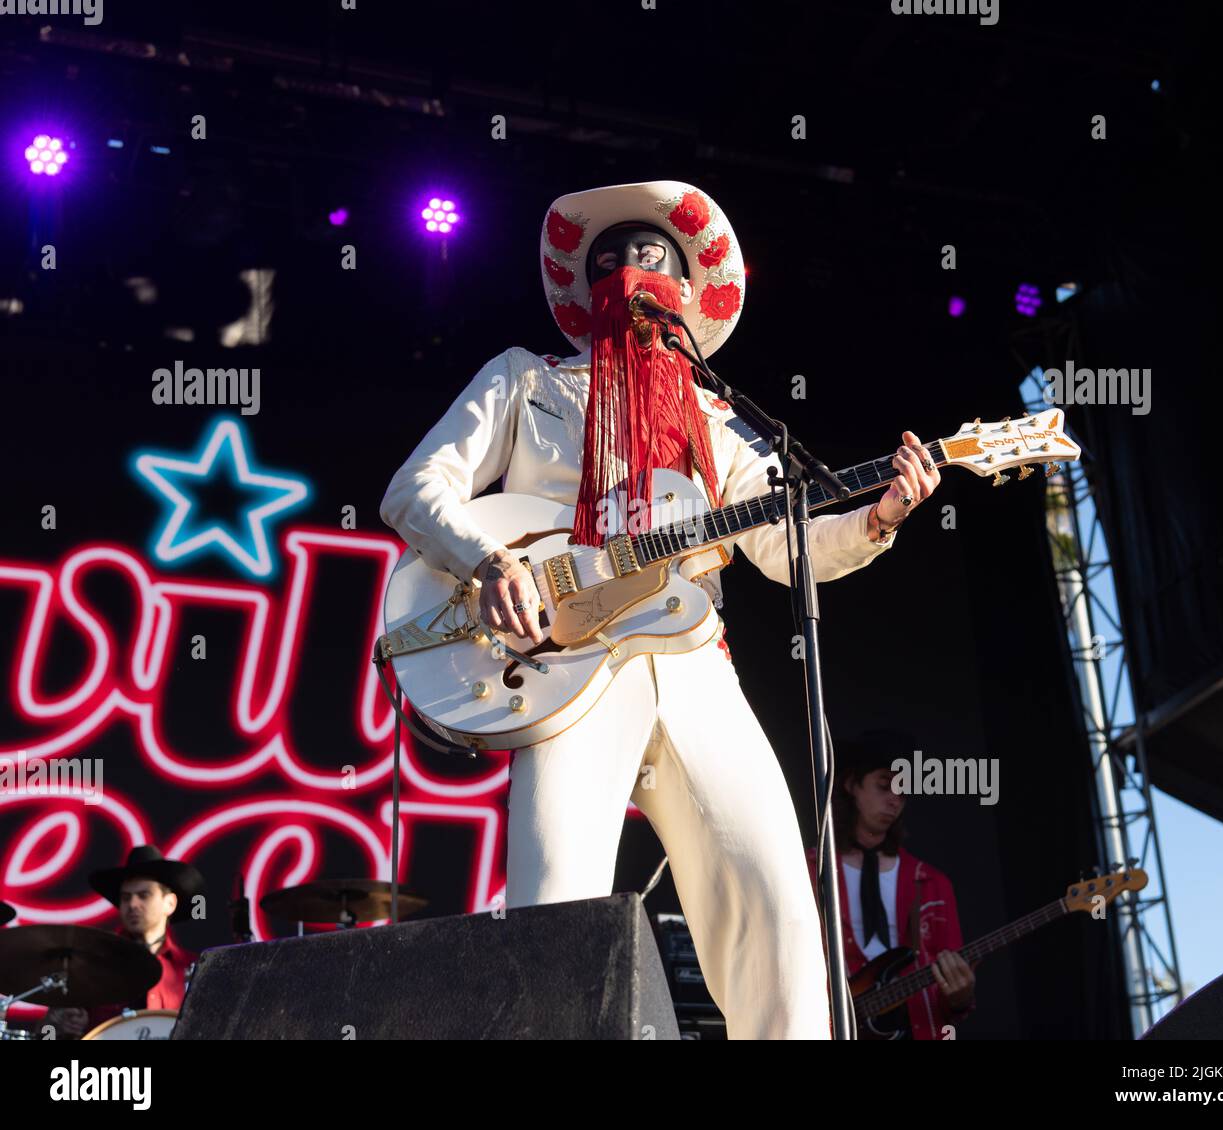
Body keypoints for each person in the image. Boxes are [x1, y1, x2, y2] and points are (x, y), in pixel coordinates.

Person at [380, 180, 942, 1038]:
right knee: (554, 914)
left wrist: (881, 516)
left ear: (682, 291)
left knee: (779, 910)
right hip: (566, 673)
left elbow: (788, 548)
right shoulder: (527, 382)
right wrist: (490, 562)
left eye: (648, 258)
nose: (625, 272)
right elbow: (416, 487)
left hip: (693, 665)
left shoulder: (714, 417)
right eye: (606, 261)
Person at [807, 731, 975, 1039]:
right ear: (850, 785)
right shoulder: (808, 870)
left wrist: (960, 996)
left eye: (903, 787)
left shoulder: (934, 883)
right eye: (884, 785)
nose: (895, 797)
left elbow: (953, 1003)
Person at [45, 844, 202, 1039]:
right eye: (126, 897)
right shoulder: (92, 964)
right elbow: (46, 1034)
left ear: (170, 903)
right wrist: (56, 1023)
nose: (133, 904)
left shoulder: (196, 968)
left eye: (143, 895)